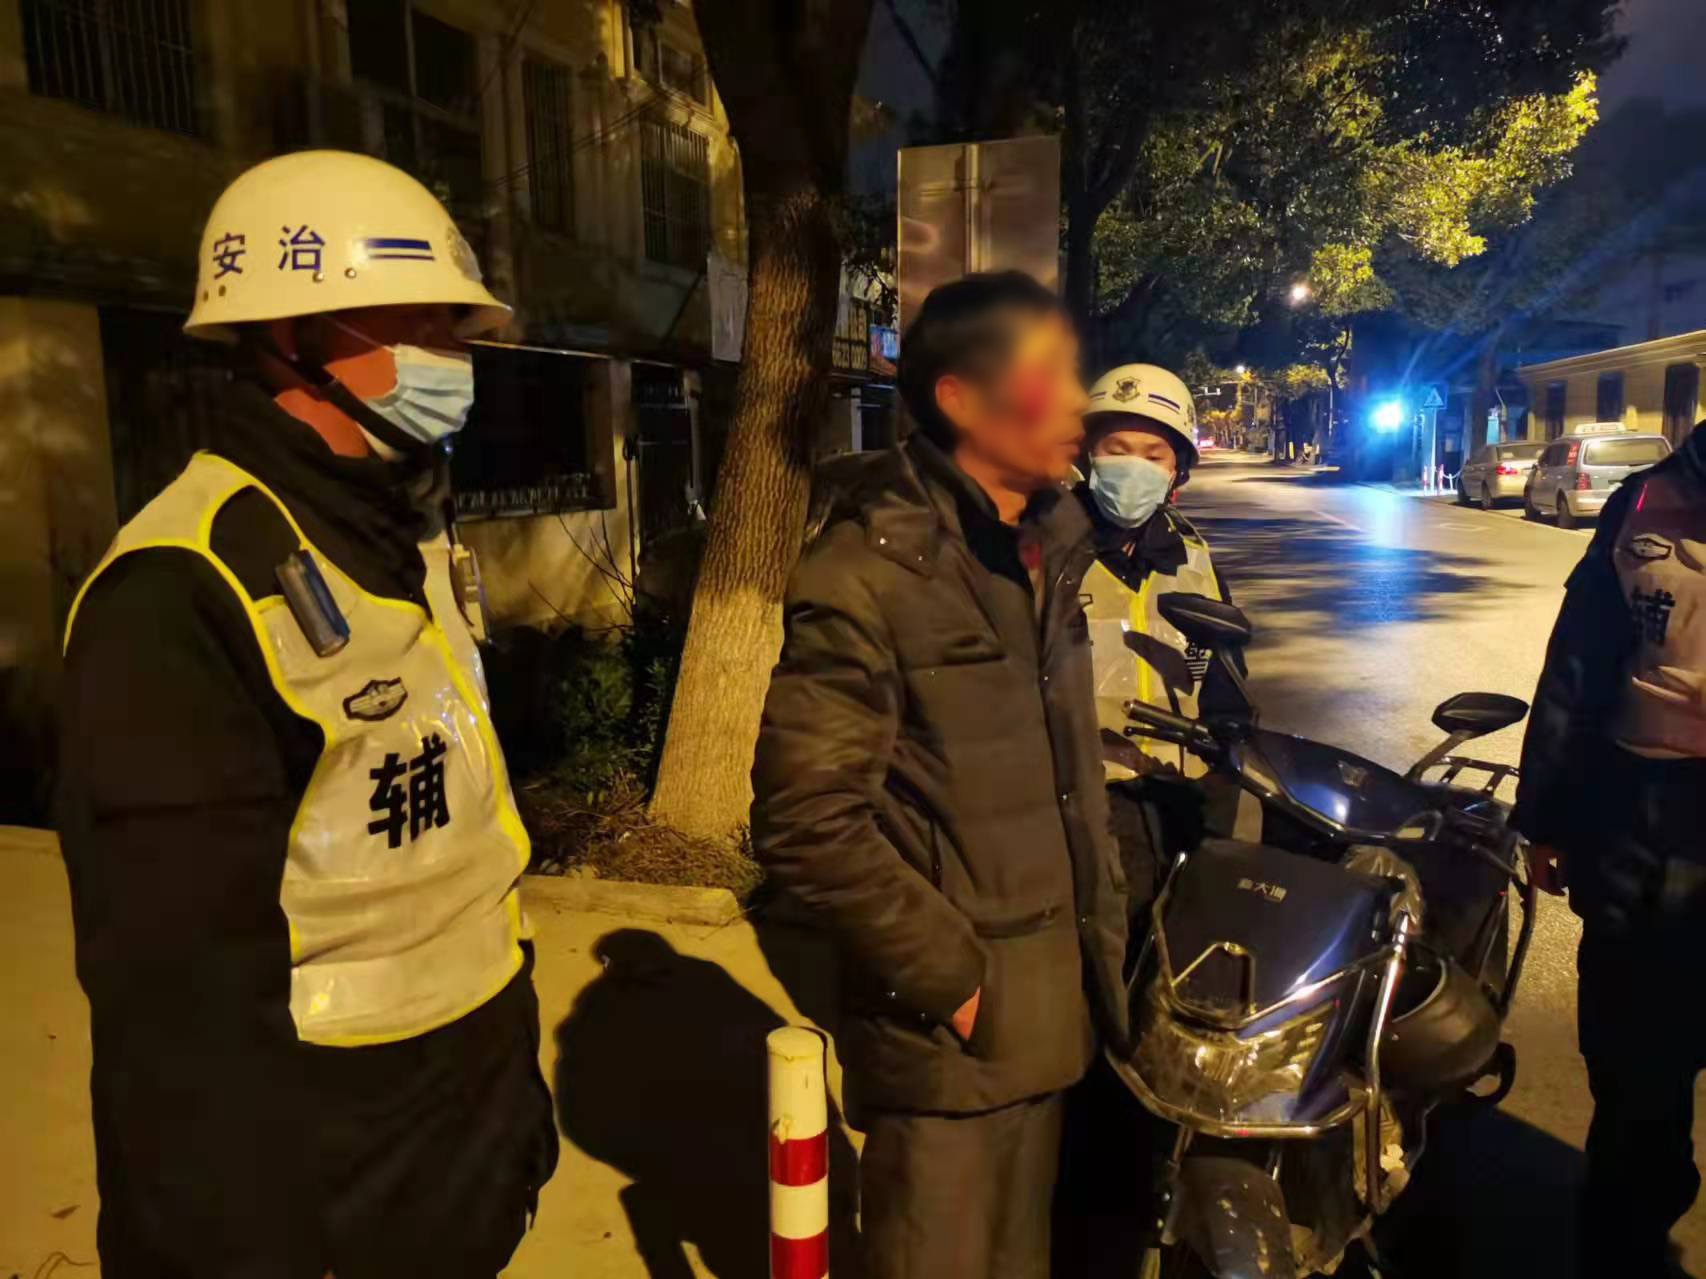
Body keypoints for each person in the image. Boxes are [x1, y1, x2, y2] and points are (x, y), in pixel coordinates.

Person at [56, 150, 557, 1278]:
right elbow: (178, 1022)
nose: (453, 357)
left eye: (456, 329)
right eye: (423, 323)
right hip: (331, 1180)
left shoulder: (403, 533)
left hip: (458, 1150)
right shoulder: (179, 594)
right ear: (292, 335)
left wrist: (512, 1128)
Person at [750, 271, 1128, 1278]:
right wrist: (956, 982)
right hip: (948, 1046)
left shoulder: (1044, 549)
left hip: (1049, 1018)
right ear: (961, 399)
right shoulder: (867, 573)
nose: (1077, 401)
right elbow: (805, 820)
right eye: (1049, 376)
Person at [1513, 418, 1706, 1277]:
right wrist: (1545, 816)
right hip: (1643, 824)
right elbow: (1578, 668)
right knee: (1635, 1089)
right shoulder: (1642, 504)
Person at [1076, 363, 1247, 911]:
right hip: (1085, 800)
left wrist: (1221, 783)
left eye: (1154, 456)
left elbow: (1224, 684)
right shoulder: (1048, 554)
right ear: (1087, 456)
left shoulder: (1193, 559)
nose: (1134, 468)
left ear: (1178, 472)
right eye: (1116, 450)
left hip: (1182, 794)